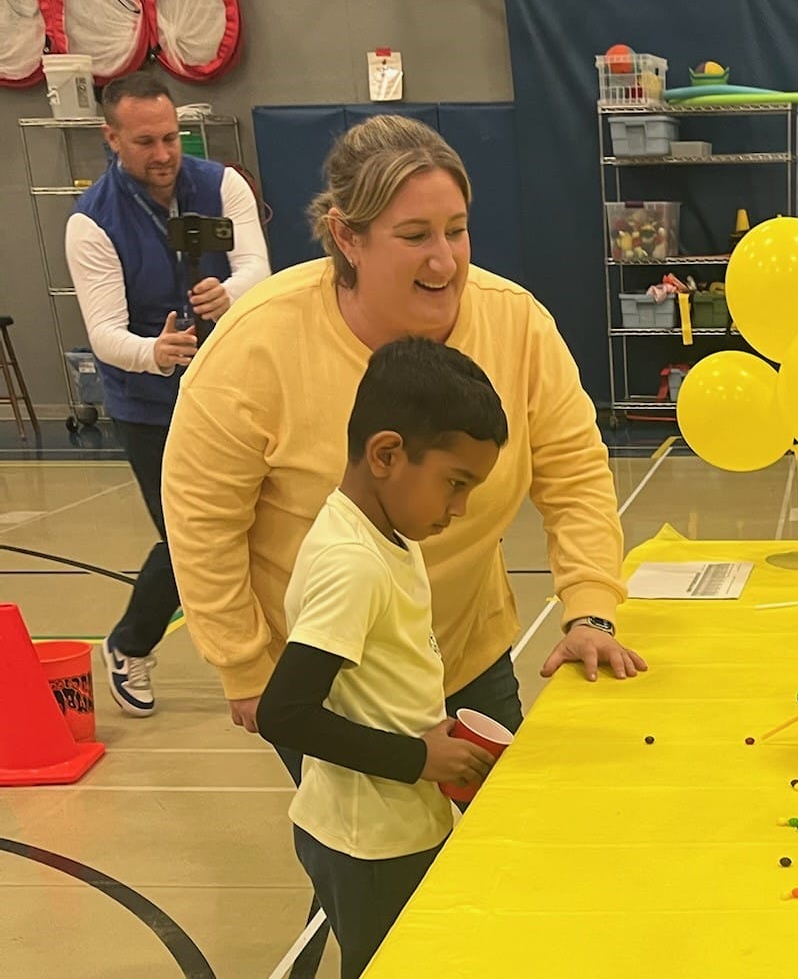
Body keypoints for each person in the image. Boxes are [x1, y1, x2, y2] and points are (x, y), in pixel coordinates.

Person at [162, 115, 644, 976]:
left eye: (457, 230)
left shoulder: (514, 324)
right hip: (328, 675)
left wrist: (592, 610)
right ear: (345, 237)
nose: (445, 259)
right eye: (415, 235)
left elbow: (574, 473)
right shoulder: (259, 343)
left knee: (489, 854)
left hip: (466, 646)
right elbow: (200, 519)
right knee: (372, 856)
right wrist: (242, 663)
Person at [258, 337, 506, 979]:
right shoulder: (354, 563)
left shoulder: (380, 533)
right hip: (370, 843)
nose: (460, 508)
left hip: (390, 824)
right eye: (455, 484)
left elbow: (377, 680)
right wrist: (417, 757)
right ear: (387, 454)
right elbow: (284, 713)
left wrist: (435, 735)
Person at [64, 70, 269, 717]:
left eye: (171, 137)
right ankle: (129, 645)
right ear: (112, 138)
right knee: (191, 538)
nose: (163, 154)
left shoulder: (221, 185)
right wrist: (155, 354)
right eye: (146, 141)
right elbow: (104, 333)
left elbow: (256, 269)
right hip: (150, 405)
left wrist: (228, 294)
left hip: (232, 387)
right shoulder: (90, 223)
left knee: (260, 517)